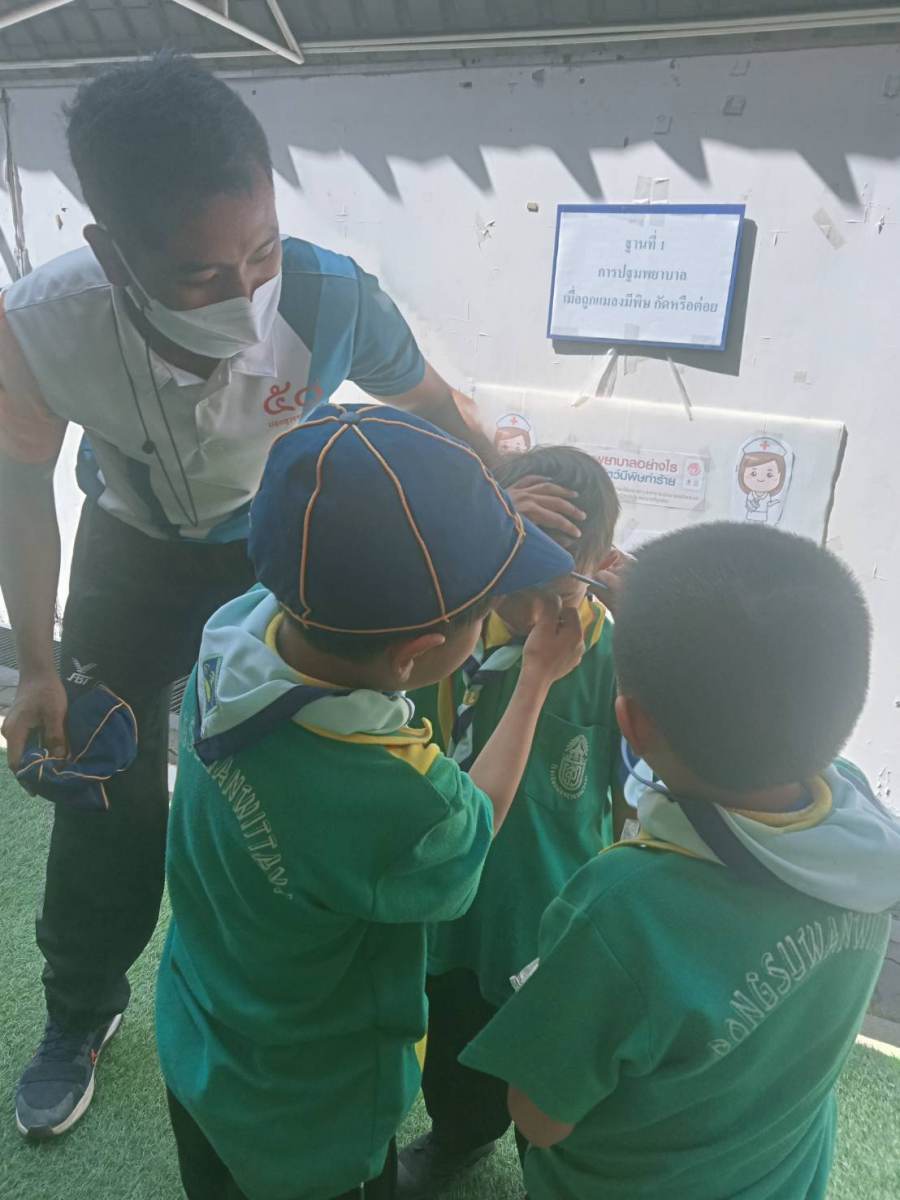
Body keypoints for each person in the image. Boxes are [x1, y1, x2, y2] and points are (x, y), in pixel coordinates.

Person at [0, 54, 582, 1138]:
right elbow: (22, 490)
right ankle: (80, 1008)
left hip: (275, 556)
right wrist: (36, 661)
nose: (245, 295)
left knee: (307, 777)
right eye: (199, 276)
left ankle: (313, 969)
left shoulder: (332, 295)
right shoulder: (38, 327)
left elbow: (433, 405)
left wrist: (504, 507)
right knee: (103, 784)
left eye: (261, 251)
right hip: (129, 551)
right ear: (110, 252)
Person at [156, 402, 585, 1200]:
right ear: (418, 654)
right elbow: (476, 822)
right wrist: (534, 680)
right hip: (313, 1107)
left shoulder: (237, 628)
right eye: (484, 606)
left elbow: (355, 543)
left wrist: (473, 532)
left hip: (203, 1031)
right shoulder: (394, 796)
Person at [461, 522, 900, 1200]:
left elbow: (538, 1117)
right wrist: (668, 615)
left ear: (631, 724)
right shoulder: (861, 823)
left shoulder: (624, 906)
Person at [399, 446, 623, 1196]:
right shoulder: (436, 626)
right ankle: (459, 1135)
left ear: (600, 568)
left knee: (547, 1070)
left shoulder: (612, 653)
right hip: (448, 910)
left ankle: (548, 1169)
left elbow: (638, 788)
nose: (532, 617)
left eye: (557, 592)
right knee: (453, 1041)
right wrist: (473, 537)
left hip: (545, 918)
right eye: (514, 582)